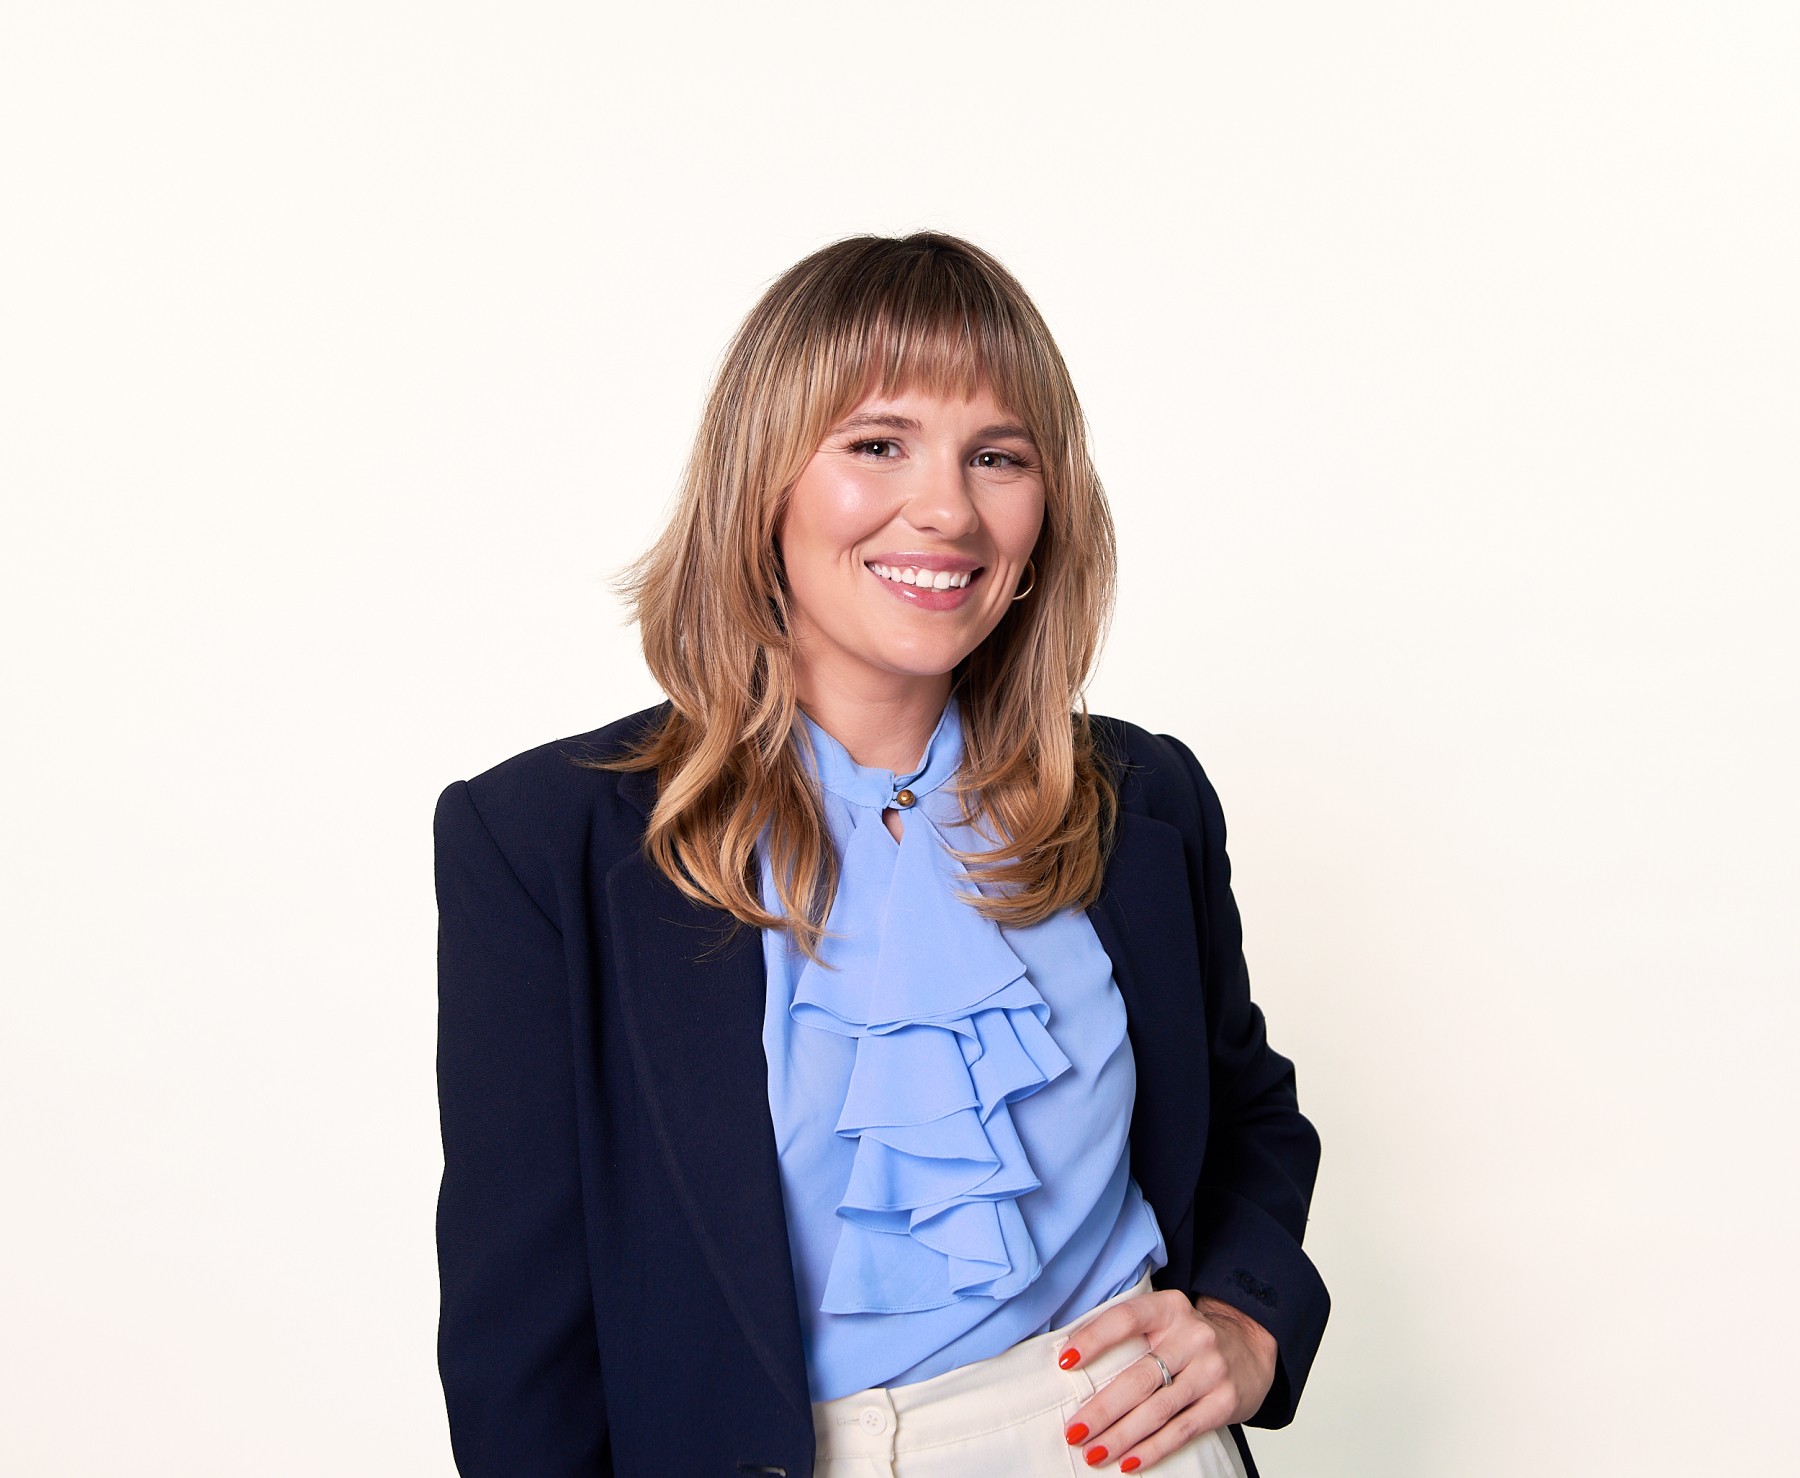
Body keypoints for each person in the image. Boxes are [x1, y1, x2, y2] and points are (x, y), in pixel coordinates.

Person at [433, 231, 1328, 1477]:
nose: (948, 507)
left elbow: (1250, 1120)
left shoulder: (1141, 801)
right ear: (767, 482)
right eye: (877, 443)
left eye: (998, 456)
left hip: (1129, 1451)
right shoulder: (541, 845)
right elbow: (520, 1346)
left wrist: (1247, 1318)